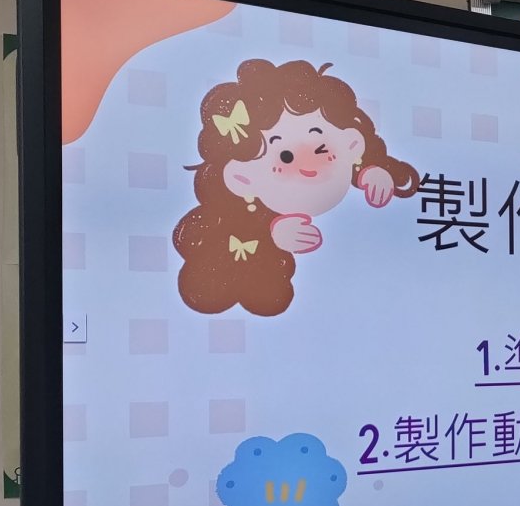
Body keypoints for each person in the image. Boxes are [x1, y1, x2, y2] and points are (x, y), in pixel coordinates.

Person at [173, 59, 420, 316]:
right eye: (286, 156)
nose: (308, 159)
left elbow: (390, 174)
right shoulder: (230, 220)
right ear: (242, 177)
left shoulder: (355, 154)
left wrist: (373, 171)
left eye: (320, 146)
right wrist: (274, 233)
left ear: (352, 142)